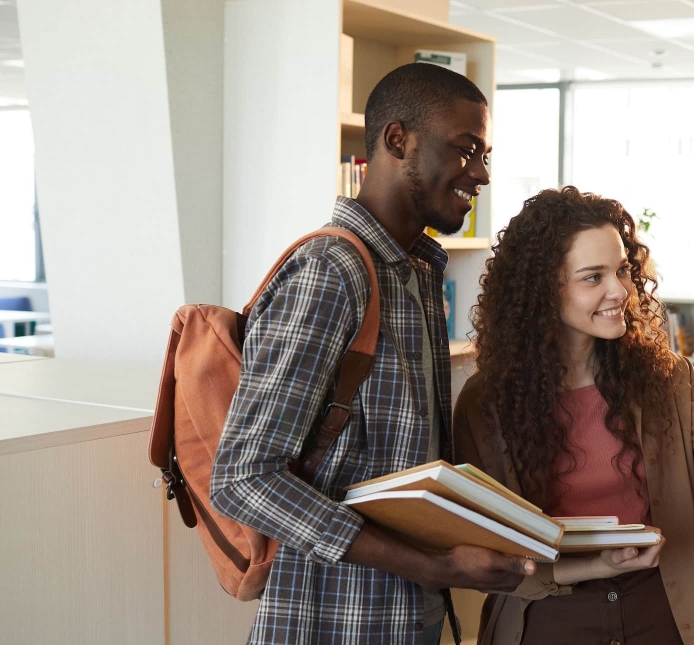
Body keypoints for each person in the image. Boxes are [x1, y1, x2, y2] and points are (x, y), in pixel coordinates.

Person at [210, 63, 534, 645]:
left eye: (485, 156)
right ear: (396, 140)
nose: (481, 173)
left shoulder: (417, 273)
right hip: (330, 623)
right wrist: (432, 566)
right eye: (466, 151)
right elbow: (243, 478)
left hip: (408, 620)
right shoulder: (330, 274)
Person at [452, 186, 694, 645]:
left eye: (621, 270)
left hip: (660, 610)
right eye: (592, 277)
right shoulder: (487, 403)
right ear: (541, 289)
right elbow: (488, 548)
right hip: (547, 616)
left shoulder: (663, 378)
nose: (620, 290)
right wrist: (596, 566)